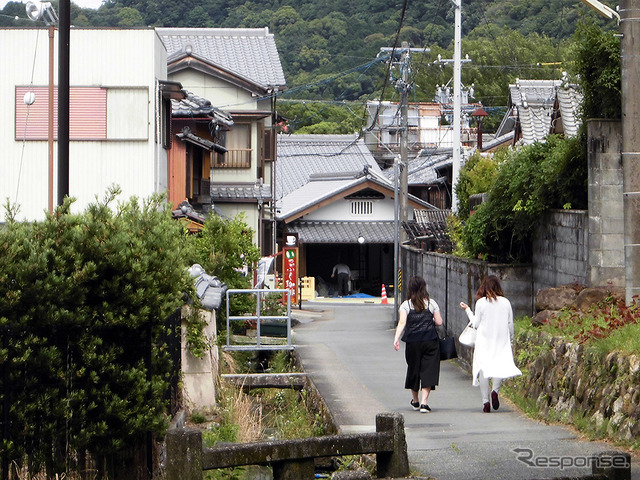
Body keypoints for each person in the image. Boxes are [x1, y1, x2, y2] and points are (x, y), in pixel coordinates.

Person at [459, 275, 522, 413]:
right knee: (498, 365)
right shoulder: (506, 302)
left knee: (483, 369)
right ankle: (495, 391)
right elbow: (510, 324)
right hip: (501, 339)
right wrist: (511, 340)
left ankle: (485, 402)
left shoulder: (481, 303)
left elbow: (475, 324)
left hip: (484, 340)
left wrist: (468, 310)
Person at [393, 276, 443, 413]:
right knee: (428, 370)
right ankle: (424, 403)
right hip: (430, 341)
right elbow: (439, 322)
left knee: (413, 369)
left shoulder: (406, 305)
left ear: (410, 289)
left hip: (413, 342)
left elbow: (402, 323)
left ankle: (415, 401)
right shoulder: (431, 303)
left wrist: (396, 338)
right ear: (424, 288)